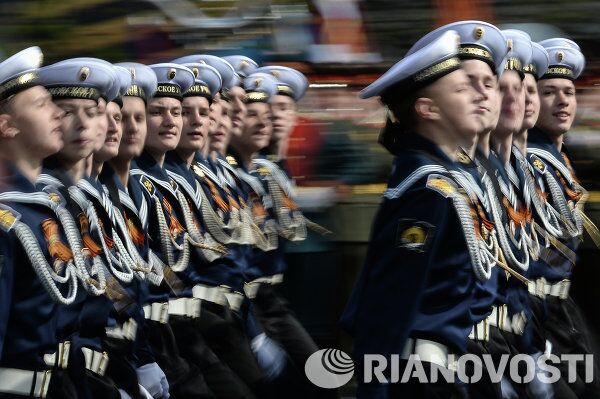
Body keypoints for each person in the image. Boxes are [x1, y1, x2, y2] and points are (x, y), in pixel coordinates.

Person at [341, 29, 503, 397]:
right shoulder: (426, 189)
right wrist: (375, 386)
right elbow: (392, 296)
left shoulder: (453, 177)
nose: (482, 94)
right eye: (463, 89)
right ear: (428, 109)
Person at [0, 46, 76, 399]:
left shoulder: (50, 203)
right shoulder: (6, 220)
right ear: (7, 126)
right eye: (41, 105)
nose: (58, 112)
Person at [526, 38, 600, 398]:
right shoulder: (531, 162)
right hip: (538, 315)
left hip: (562, 306)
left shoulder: (559, 157)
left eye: (569, 92)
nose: (563, 101)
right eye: (549, 92)